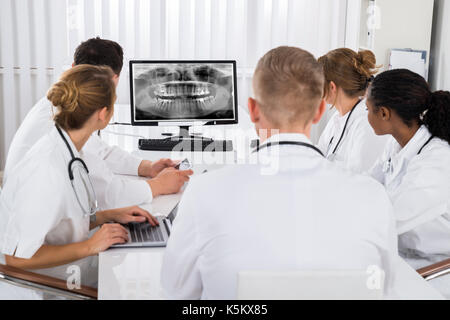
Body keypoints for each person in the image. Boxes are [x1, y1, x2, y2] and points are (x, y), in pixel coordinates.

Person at [161, 46, 398, 299]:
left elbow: (177, 294)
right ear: (319, 111)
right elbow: (386, 291)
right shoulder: (374, 198)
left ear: (252, 110)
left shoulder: (203, 193)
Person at [0, 65, 168, 299]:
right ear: (103, 114)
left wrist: (109, 215)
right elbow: (15, 257)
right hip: (53, 286)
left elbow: (62, 222)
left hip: (77, 269)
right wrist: (90, 246)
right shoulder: (47, 171)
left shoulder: (66, 147)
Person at [3, 37, 193, 210]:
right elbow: (105, 194)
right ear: (114, 80)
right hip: (30, 224)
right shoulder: (59, 124)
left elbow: (99, 151)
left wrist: (145, 167)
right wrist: (158, 186)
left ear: (72, 68)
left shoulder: (64, 105)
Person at [366, 69, 450, 297]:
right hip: (404, 259)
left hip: (435, 271)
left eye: (367, 109)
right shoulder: (397, 146)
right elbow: (368, 186)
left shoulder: (437, 162)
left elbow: (388, 219)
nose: (366, 115)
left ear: (384, 113)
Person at [317, 48, 389, 173]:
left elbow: (361, 181)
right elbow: (319, 156)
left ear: (332, 86)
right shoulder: (337, 118)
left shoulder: (368, 125)